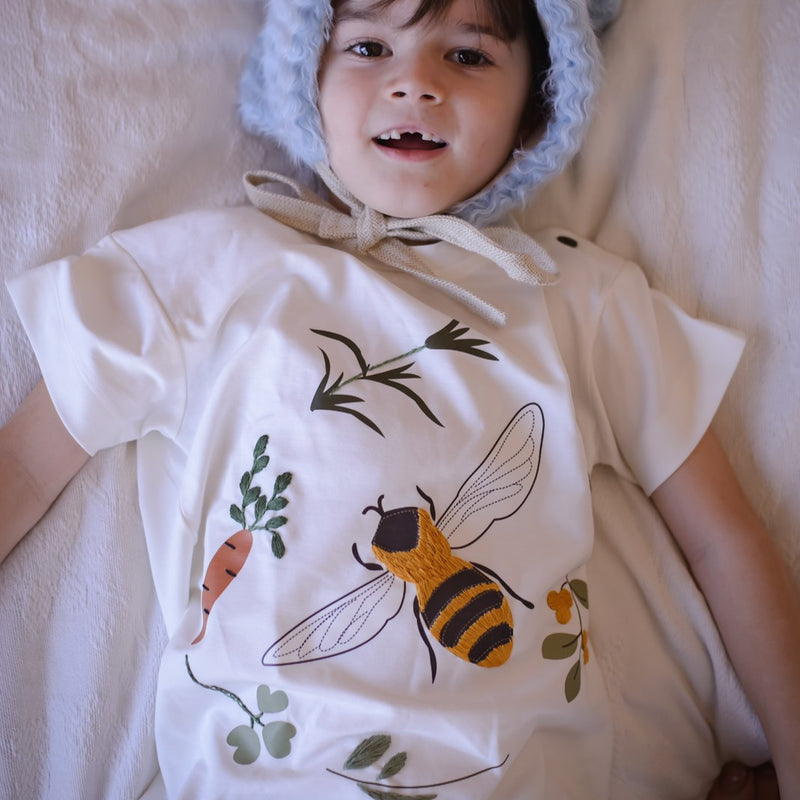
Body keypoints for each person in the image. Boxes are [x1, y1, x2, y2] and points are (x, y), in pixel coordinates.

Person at [1, 0, 798, 797]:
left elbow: (723, 539)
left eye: (470, 56)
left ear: (536, 111)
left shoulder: (576, 300)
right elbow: (28, 467)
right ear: (302, 77)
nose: (415, 83)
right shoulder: (217, 269)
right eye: (371, 46)